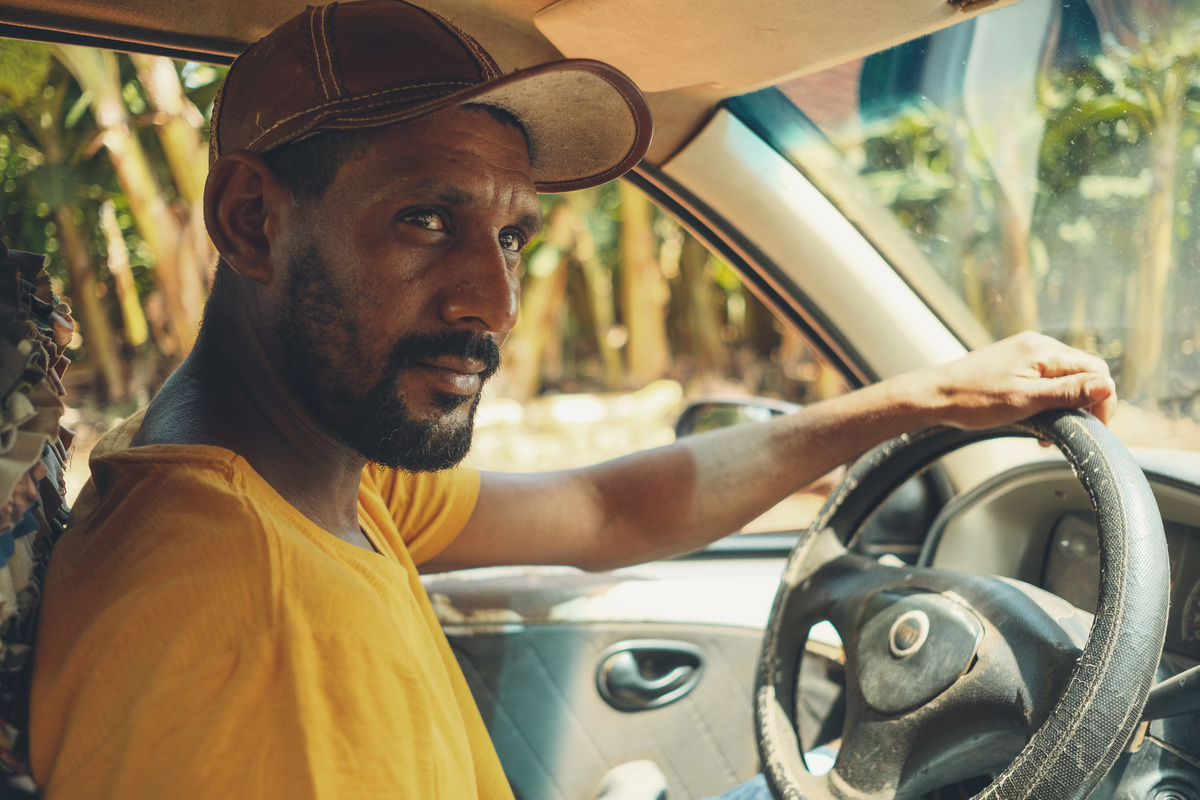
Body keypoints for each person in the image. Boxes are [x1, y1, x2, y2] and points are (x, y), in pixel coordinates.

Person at [27, 1, 1118, 798]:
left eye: (509, 234)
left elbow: (611, 513)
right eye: (426, 219)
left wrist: (915, 399)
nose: (493, 302)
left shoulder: (307, 479)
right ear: (252, 219)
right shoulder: (238, 615)